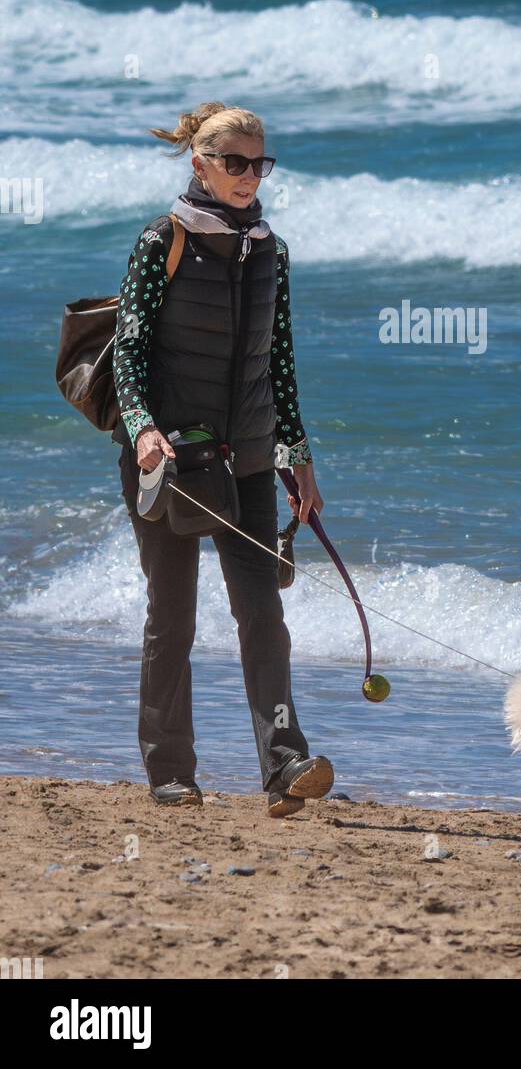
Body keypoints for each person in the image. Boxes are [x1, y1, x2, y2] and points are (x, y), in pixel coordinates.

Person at [112, 101, 332, 817]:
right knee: (171, 616)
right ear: (201, 164)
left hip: (249, 455)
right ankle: (171, 770)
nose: (247, 175)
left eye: (257, 163)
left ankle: (285, 764)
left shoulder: (272, 249)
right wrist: (145, 428)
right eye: (233, 162)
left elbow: (282, 362)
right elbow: (129, 351)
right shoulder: (163, 240)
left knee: (262, 612)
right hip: (171, 459)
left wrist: (297, 455)